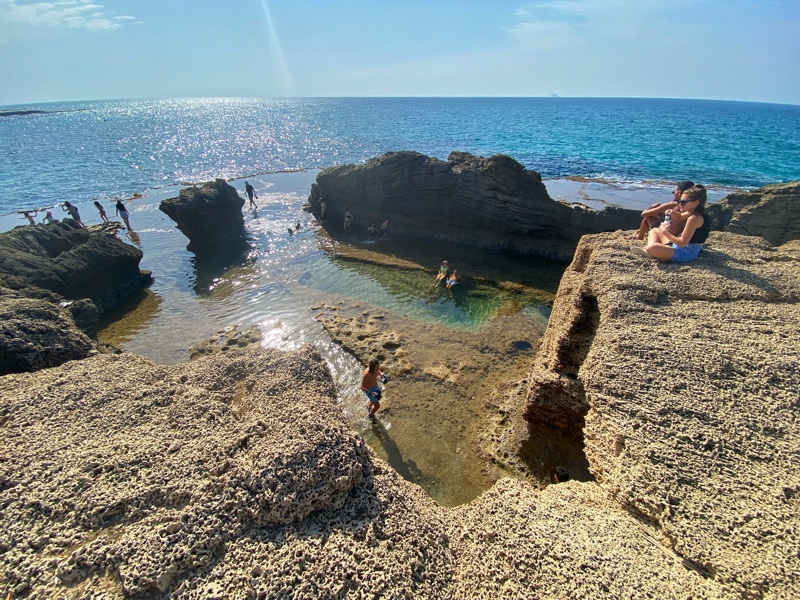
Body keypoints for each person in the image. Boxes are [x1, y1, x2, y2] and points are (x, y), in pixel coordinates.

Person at [631, 184, 709, 262]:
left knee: (651, 247)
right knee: (654, 230)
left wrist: (664, 232)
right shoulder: (693, 212)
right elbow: (679, 216)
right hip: (679, 246)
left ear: (695, 202)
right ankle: (656, 251)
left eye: (683, 202)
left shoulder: (694, 218)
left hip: (686, 252)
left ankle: (653, 251)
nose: (680, 204)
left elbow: (682, 243)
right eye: (679, 201)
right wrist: (672, 212)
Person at [361, 358, 387, 423]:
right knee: (377, 406)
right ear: (372, 367)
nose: (378, 368)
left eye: (379, 366)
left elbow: (378, 370)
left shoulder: (375, 369)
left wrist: (381, 374)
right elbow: (362, 387)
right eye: (377, 367)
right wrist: (371, 393)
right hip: (369, 390)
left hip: (375, 386)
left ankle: (369, 406)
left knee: (377, 398)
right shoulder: (367, 374)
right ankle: (371, 415)